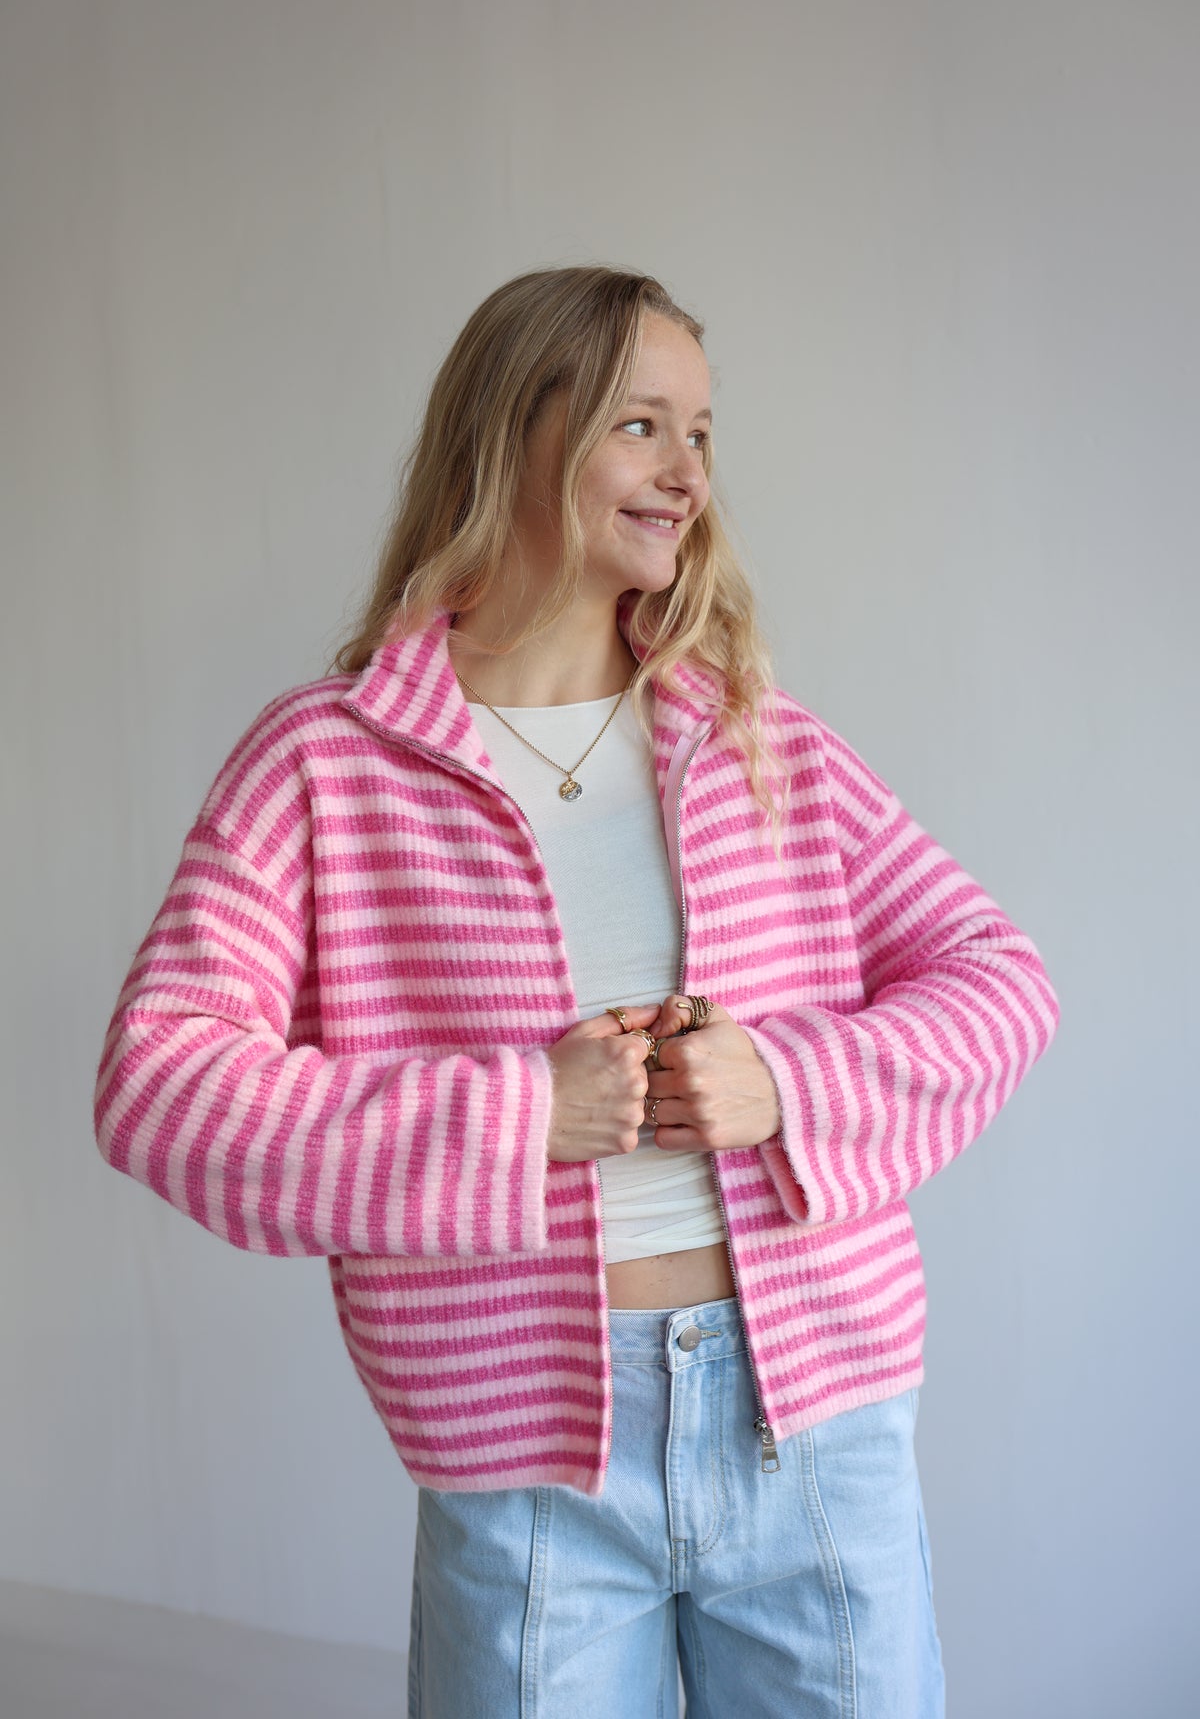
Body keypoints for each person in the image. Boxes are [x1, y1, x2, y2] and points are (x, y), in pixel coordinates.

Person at [94, 265, 1060, 1717]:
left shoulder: (757, 743)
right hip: (528, 1468)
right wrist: (521, 1114)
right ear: (517, 434)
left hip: (816, 1425)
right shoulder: (327, 765)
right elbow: (162, 1087)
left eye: (704, 433)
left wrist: (783, 1080)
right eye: (643, 425)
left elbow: (999, 982)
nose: (690, 476)